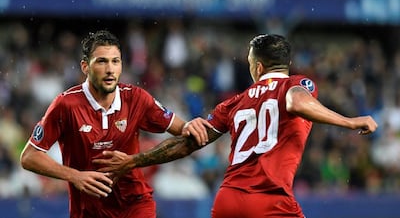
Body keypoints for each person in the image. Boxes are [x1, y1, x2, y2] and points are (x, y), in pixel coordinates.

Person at [93, 34, 378, 218]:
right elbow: (296, 102)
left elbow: (187, 144)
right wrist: (350, 121)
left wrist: (133, 161)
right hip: (270, 199)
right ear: (287, 64)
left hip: (227, 199)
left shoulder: (233, 103)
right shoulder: (297, 84)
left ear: (257, 68)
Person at [19, 30, 210, 218]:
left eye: (115, 61)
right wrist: (75, 176)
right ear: (85, 67)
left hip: (134, 205)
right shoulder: (66, 105)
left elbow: (182, 128)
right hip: (87, 211)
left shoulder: (136, 98)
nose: (110, 69)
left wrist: (189, 127)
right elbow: (29, 156)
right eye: (101, 61)